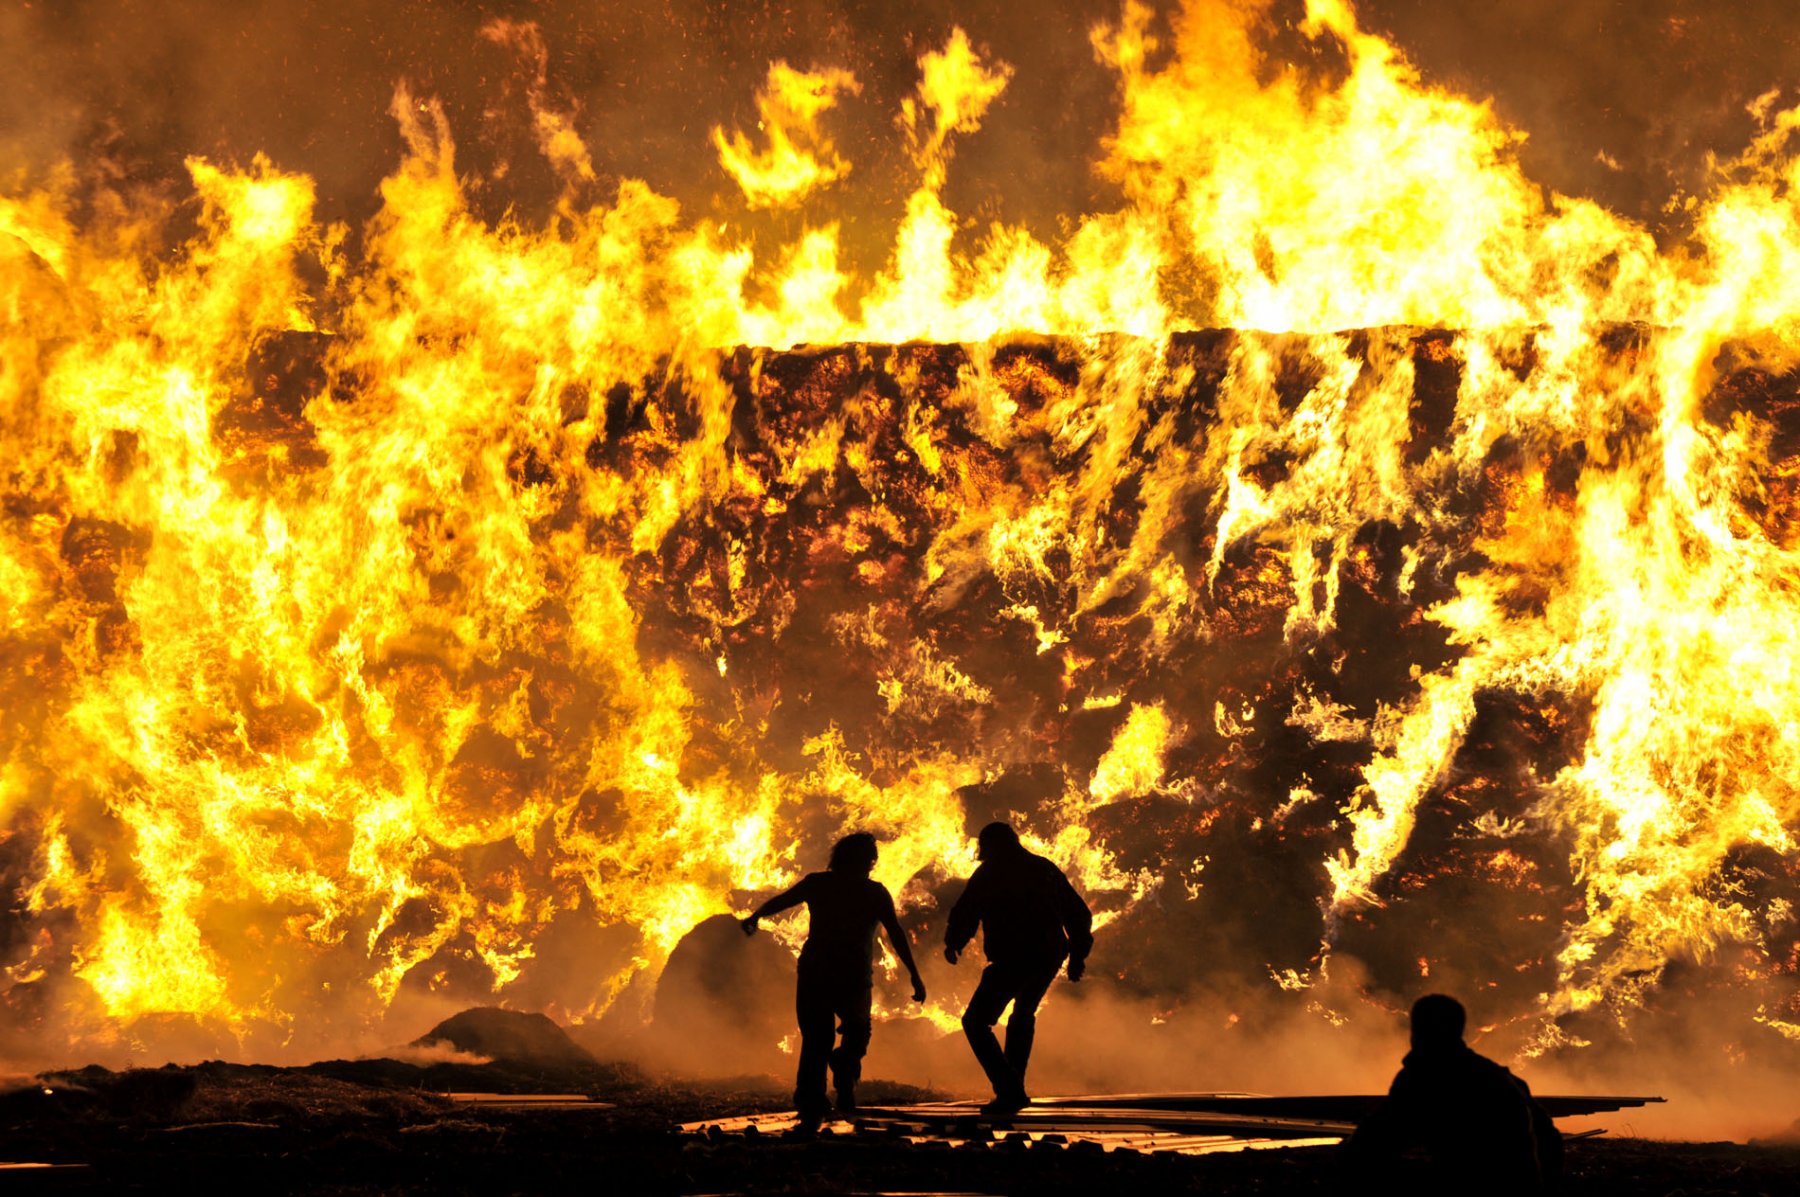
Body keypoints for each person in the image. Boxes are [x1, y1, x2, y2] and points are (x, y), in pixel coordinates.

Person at [741, 832, 925, 1126]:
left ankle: (815, 1095)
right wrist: (915, 975)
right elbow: (897, 934)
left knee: (818, 1038)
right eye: (870, 858)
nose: (871, 862)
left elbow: (781, 901)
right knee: (856, 1030)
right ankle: (841, 1072)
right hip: (850, 973)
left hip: (818, 970)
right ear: (868, 861)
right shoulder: (873, 892)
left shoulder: (820, 884)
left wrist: (756, 916)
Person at [943, 821, 1092, 1115]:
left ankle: (1009, 1087)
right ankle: (1013, 1089)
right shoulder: (1044, 868)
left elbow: (967, 910)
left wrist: (954, 942)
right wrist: (1077, 955)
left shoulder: (990, 872)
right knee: (1023, 1015)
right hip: (1049, 955)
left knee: (975, 1021)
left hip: (1014, 957)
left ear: (990, 846)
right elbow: (1078, 913)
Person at [1344, 993, 1563, 1194]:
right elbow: (1551, 1139)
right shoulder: (1499, 1075)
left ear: (1418, 1031)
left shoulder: (1423, 1076)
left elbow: (1373, 1142)